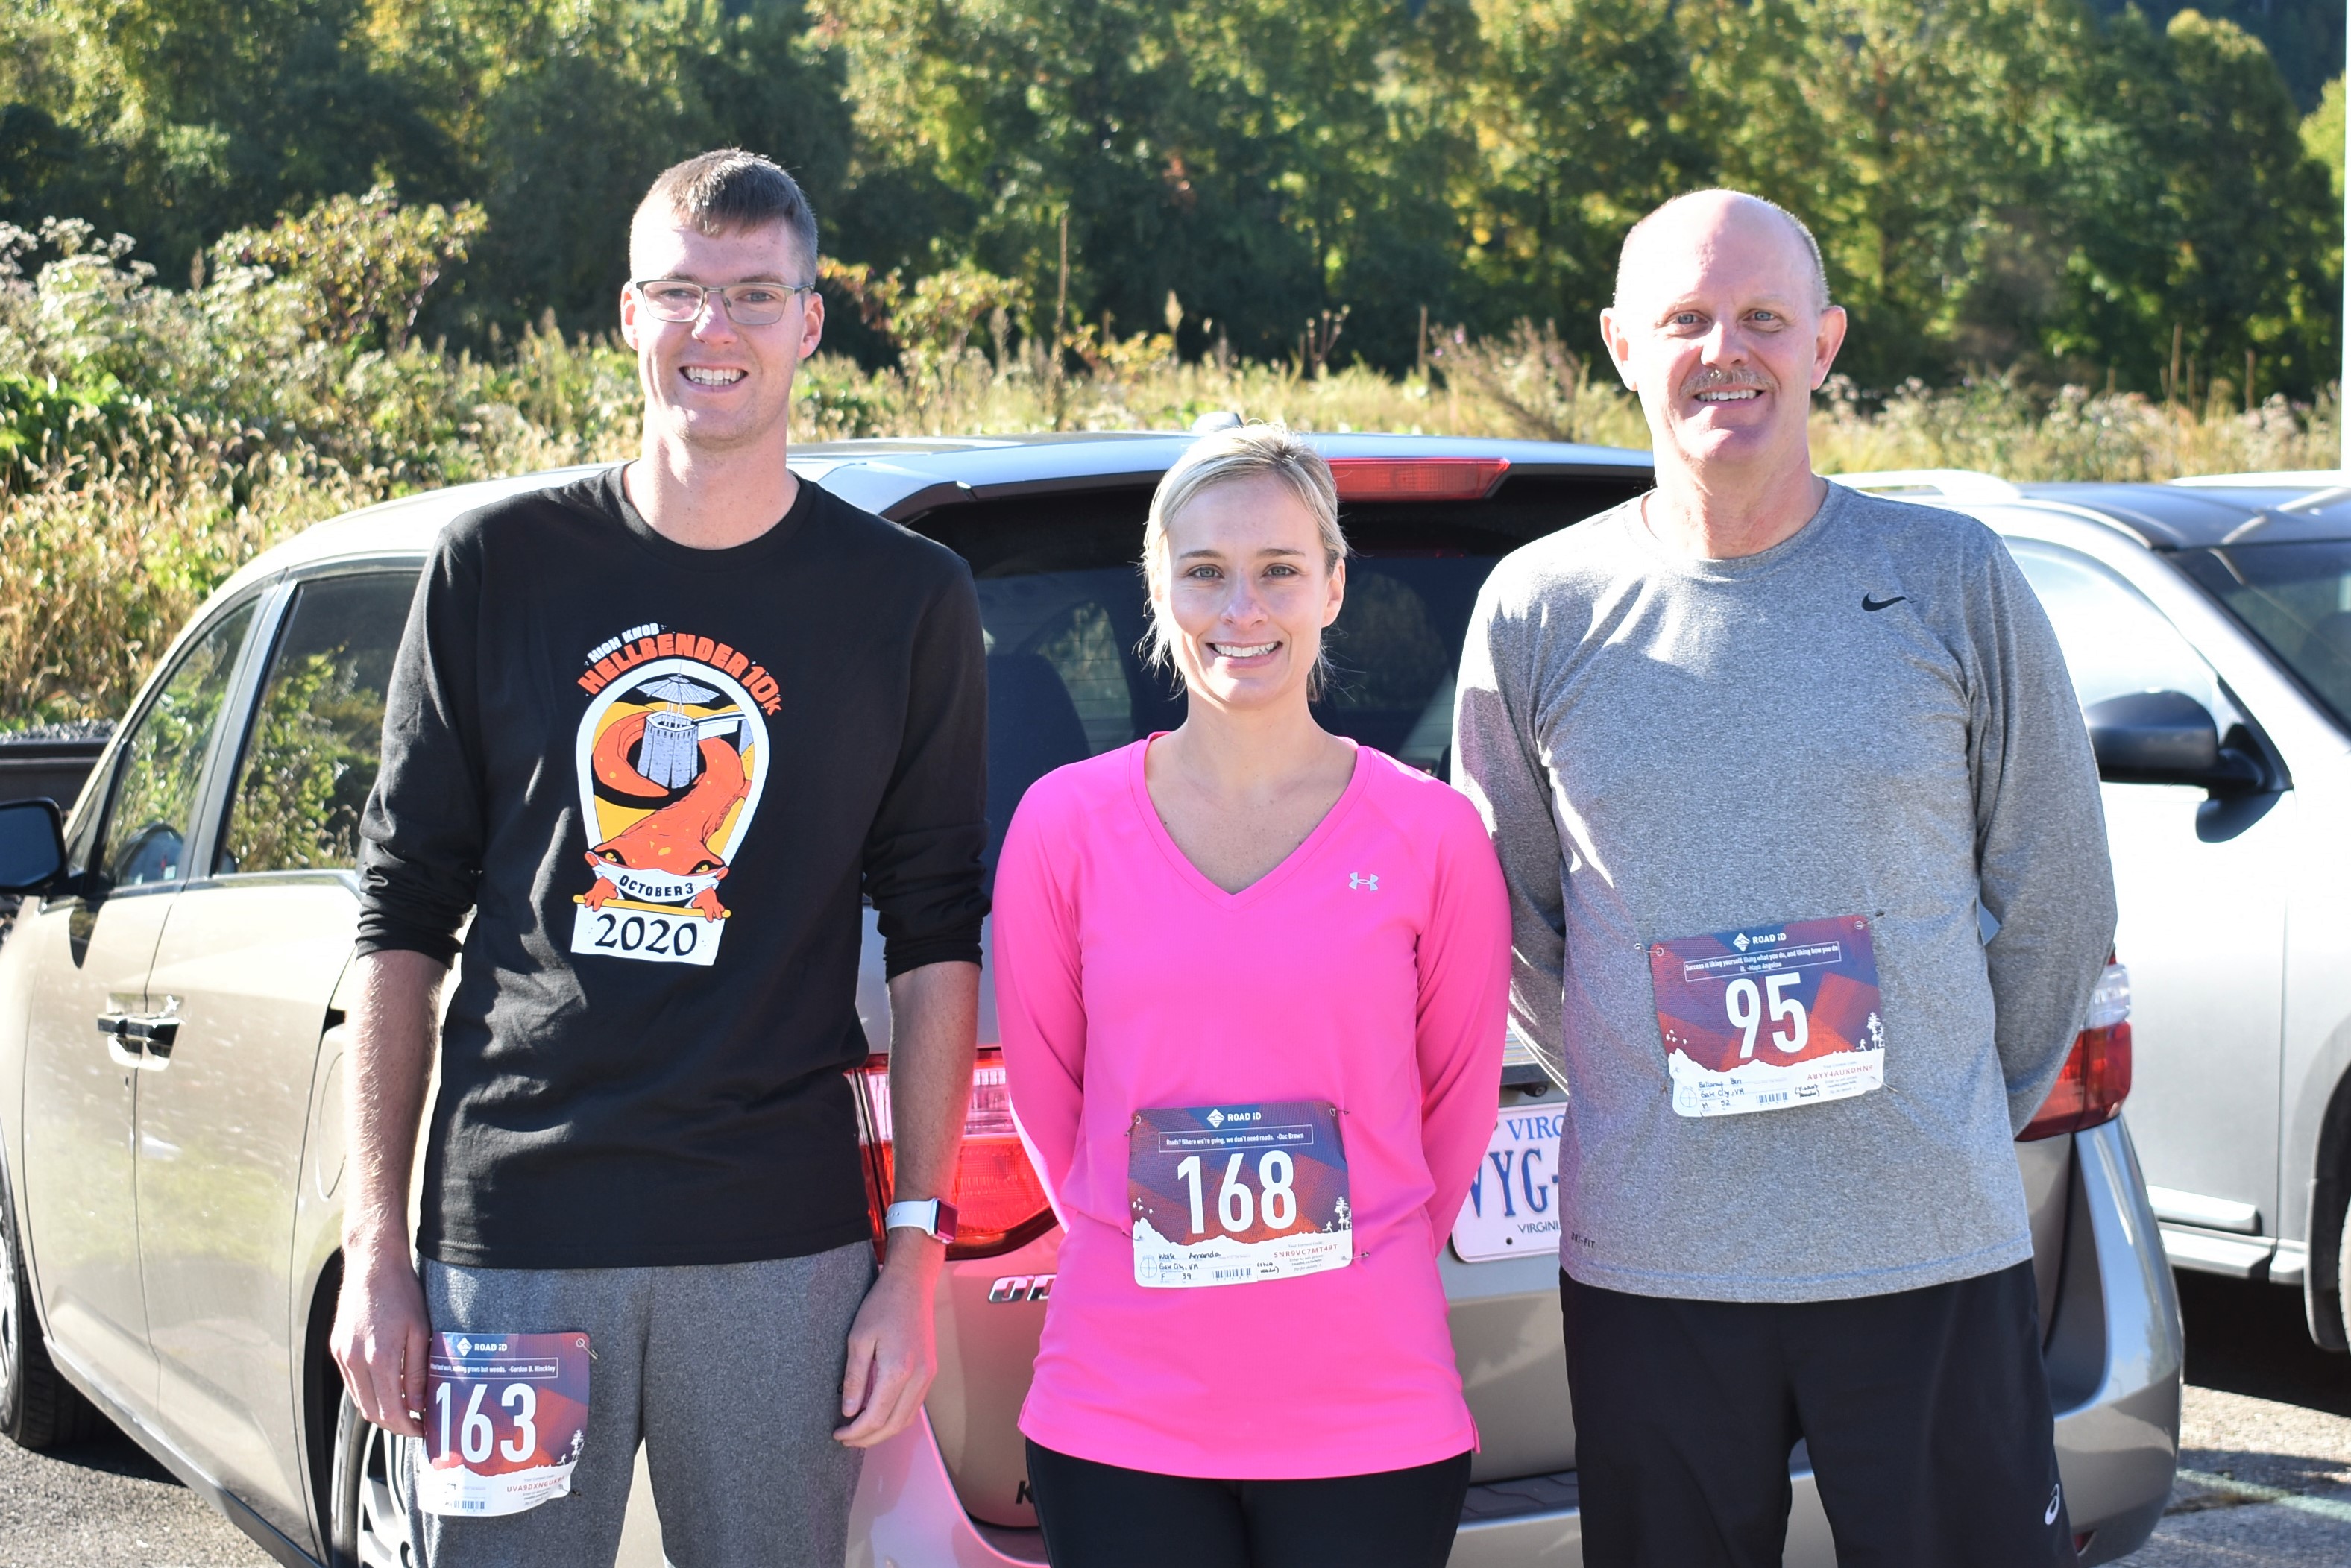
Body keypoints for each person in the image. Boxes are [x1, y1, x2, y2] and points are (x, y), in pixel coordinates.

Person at [329, 148, 988, 1567]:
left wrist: (914, 1255)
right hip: (511, 1235)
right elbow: (399, 916)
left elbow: (937, 933)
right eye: (682, 292)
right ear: (628, 313)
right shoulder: (495, 565)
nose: (715, 329)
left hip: (779, 1244)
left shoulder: (904, 600)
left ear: (809, 324)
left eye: (754, 295)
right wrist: (376, 1242)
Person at [1453, 189, 2116, 1568]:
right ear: (1621, 345)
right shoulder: (1537, 606)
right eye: (1686, 318)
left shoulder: (1947, 575)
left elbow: (2054, 882)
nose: (1726, 350)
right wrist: (1634, 1072)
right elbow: (1507, 916)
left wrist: (1949, 1108)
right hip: (1656, 1256)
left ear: (1824, 343)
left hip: (1923, 1239)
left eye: (1762, 316)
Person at [991, 424, 1511, 1568]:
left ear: (1333, 587)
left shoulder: (1432, 836)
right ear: (1159, 589)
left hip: (1370, 1407)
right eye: (1205, 572)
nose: (1243, 608)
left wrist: (1332, 1282)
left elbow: (1456, 1108)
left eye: (1278, 569)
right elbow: (1049, 1106)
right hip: (1118, 1407)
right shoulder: (1061, 827)